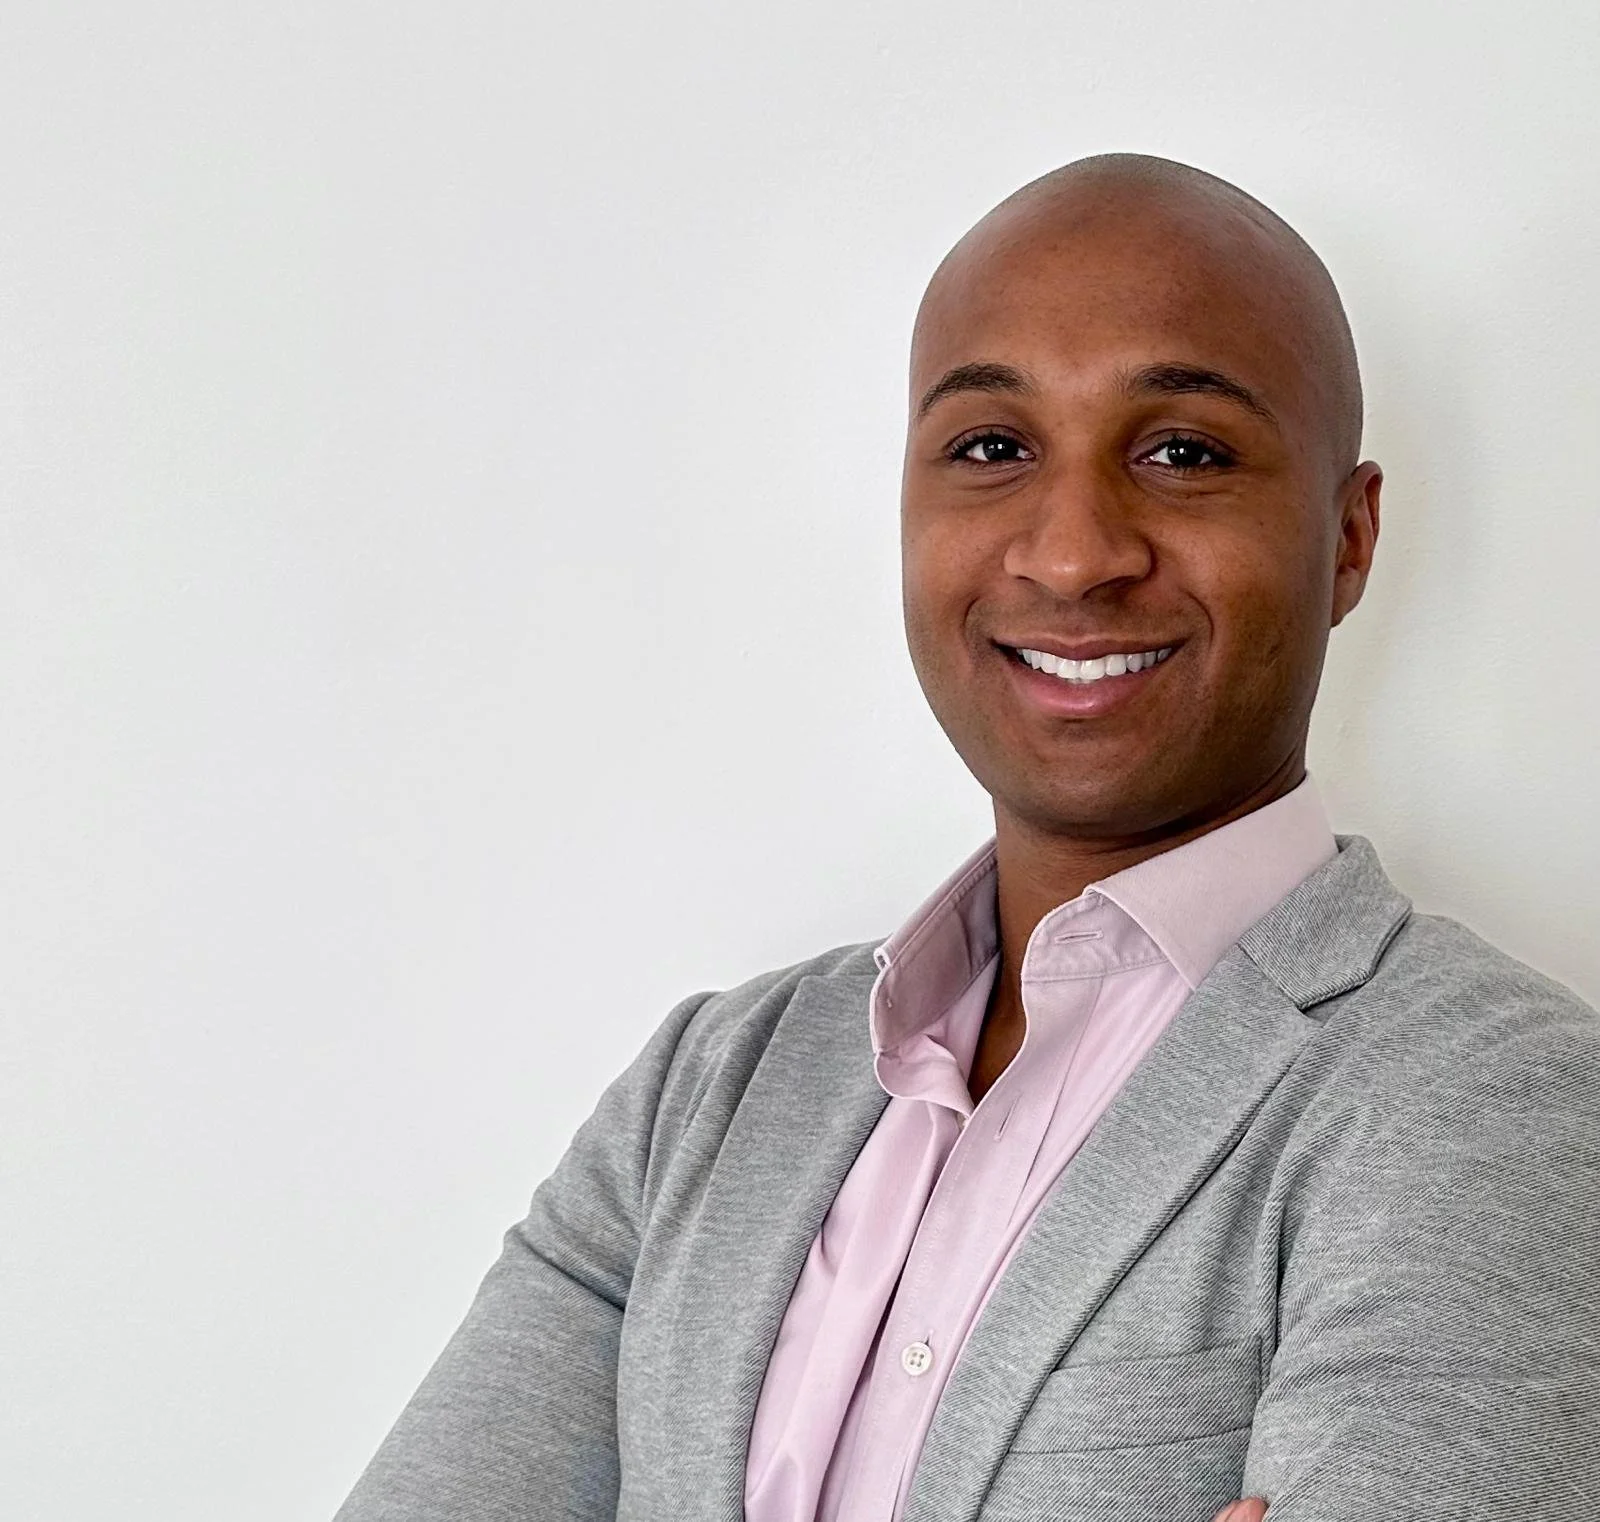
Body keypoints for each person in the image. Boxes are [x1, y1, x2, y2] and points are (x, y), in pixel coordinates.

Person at [334, 155, 1600, 1522]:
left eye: (1183, 451)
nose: (1071, 554)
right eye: (993, 448)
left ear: (1347, 539)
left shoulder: (1492, 1102)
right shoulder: (704, 1094)